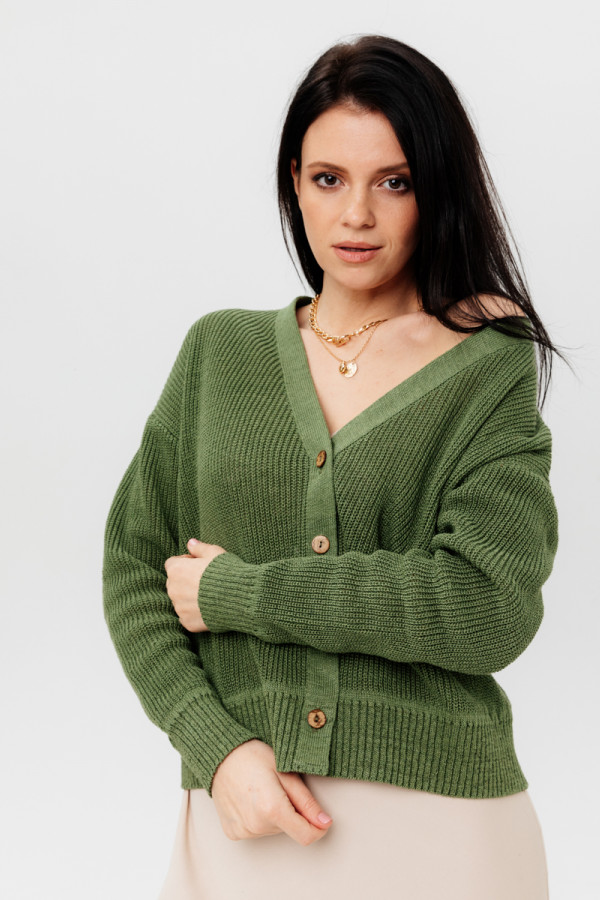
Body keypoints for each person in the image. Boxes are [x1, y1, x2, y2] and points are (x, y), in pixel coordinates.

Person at [102, 34, 563, 899]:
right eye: (328, 179)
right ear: (294, 183)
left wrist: (243, 594)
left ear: (436, 190)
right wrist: (216, 748)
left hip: (444, 834)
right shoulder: (220, 354)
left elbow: (487, 607)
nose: (357, 215)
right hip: (245, 815)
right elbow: (135, 570)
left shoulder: (483, 366)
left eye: (394, 182)